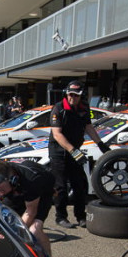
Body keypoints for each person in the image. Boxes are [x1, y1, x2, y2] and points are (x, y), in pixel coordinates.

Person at [48, 80, 109, 228]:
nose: (72, 98)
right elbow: (57, 134)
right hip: (59, 151)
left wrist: (100, 144)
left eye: (75, 95)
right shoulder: (59, 108)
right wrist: (73, 150)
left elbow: (88, 127)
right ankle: (60, 217)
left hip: (74, 151)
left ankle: (81, 216)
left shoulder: (84, 108)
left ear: (81, 96)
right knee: (61, 186)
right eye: (70, 94)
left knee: (80, 184)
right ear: (66, 93)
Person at [0, 160, 55, 256]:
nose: (0, 194)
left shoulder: (32, 180)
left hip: (42, 192)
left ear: (13, 181)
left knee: (33, 230)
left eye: (2, 190)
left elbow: (30, 212)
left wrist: (15, 234)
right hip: (15, 190)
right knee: (1, 220)